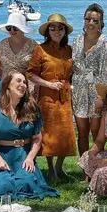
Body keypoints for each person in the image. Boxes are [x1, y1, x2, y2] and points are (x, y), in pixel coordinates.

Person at [0, 71, 58, 200]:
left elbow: (37, 138)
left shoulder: (32, 107)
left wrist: (30, 158)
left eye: (25, 82)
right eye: (18, 81)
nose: (23, 85)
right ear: (7, 85)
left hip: (23, 156)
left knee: (26, 184)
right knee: (2, 186)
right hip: (2, 155)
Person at [27, 13, 76, 183]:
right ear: (48, 31)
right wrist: (48, 84)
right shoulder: (40, 49)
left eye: (60, 28)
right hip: (47, 97)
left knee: (66, 133)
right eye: (53, 28)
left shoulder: (69, 50)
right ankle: (50, 168)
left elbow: (73, 73)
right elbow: (31, 74)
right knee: (48, 133)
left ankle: (59, 168)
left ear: (65, 31)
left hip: (65, 97)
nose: (57, 31)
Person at [72, 3, 107, 155]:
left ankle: (96, 166)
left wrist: (101, 97)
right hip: (78, 92)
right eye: (88, 19)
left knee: (96, 133)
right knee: (82, 133)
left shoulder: (105, 45)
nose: (90, 23)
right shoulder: (76, 40)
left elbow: (106, 74)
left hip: (96, 93)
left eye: (95, 20)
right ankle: (85, 169)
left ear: (101, 23)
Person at [0, 11, 38, 97]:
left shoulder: (34, 46)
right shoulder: (0, 45)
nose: (12, 30)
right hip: (7, 91)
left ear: (23, 29)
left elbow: (40, 69)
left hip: (29, 92)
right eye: (9, 28)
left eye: (15, 28)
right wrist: (4, 82)